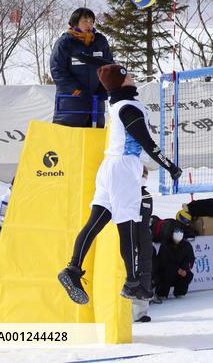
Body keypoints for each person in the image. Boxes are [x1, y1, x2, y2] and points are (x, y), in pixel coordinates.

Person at [58, 62, 183, 305]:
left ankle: (72, 269)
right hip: (124, 169)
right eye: (128, 75)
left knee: (96, 222)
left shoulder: (118, 104)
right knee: (127, 227)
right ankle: (133, 283)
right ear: (121, 81)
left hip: (110, 166)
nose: (133, 76)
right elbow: (146, 142)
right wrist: (170, 166)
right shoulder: (128, 107)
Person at [50, 8, 114, 128]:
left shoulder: (100, 41)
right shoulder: (65, 42)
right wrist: (76, 90)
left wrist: (103, 89)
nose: (89, 24)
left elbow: (110, 67)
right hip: (71, 105)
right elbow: (57, 70)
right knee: (70, 143)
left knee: (94, 143)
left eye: (91, 21)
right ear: (75, 23)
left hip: (96, 103)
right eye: (85, 21)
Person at [134, 168, 154, 322]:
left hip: (144, 238)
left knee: (145, 273)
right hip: (131, 237)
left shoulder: (147, 196)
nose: (143, 178)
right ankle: (129, 311)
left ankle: (142, 312)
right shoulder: (126, 191)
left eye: (145, 176)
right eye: (141, 175)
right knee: (132, 273)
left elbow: (146, 217)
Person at [154, 224, 195, 299]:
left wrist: (184, 269)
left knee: (188, 275)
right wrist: (176, 269)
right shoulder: (165, 245)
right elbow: (162, 262)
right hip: (167, 271)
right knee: (166, 274)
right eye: (176, 240)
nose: (177, 242)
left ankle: (179, 292)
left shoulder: (187, 245)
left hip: (180, 271)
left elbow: (190, 259)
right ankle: (161, 294)